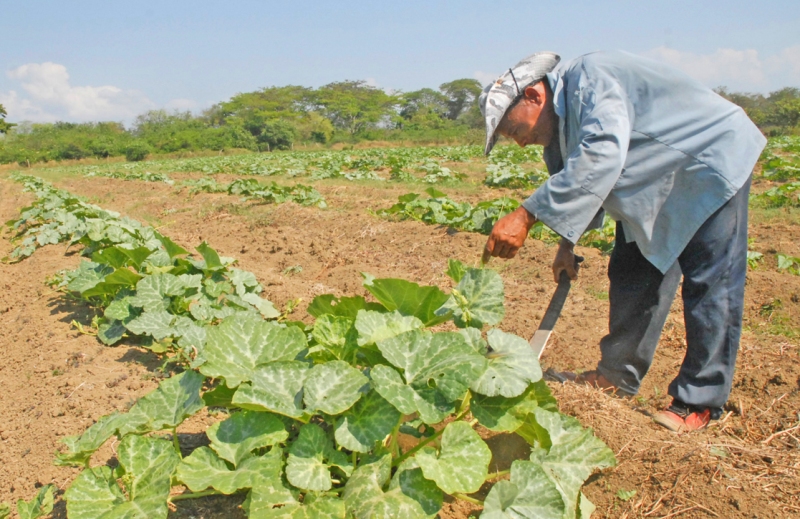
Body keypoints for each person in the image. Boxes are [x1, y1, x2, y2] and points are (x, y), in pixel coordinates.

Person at [479, 51, 766, 433]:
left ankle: (698, 401)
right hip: (656, 179)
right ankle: (616, 376)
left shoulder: (591, 77)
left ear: (533, 96)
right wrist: (568, 244)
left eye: (515, 131)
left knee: (711, 282)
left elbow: (601, 156)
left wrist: (526, 215)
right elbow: (582, 184)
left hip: (709, 159)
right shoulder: (556, 137)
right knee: (632, 272)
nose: (519, 143)